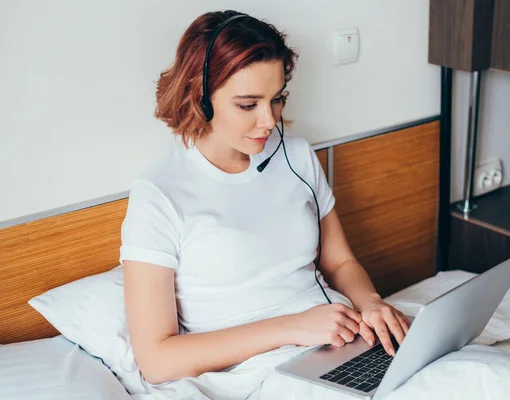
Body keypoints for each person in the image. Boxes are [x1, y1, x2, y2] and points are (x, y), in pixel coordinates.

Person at [120, 9, 411, 385]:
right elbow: (158, 360)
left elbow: (339, 263)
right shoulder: (159, 194)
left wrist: (370, 302)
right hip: (265, 371)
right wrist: (293, 328)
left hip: (343, 341)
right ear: (200, 97)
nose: (269, 121)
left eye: (277, 99)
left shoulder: (296, 155)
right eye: (247, 105)